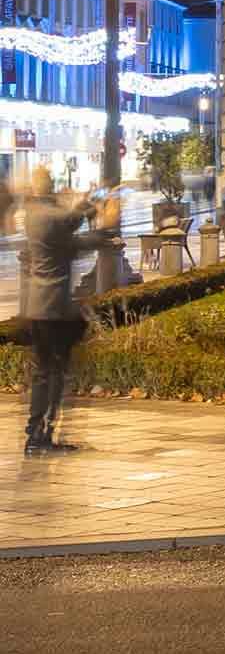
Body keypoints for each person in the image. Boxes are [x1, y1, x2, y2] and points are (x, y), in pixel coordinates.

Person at [12, 167, 100, 457]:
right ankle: (39, 436)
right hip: (50, 307)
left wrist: (86, 204)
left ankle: (40, 433)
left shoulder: (36, 213)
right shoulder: (44, 216)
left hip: (43, 306)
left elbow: (70, 232)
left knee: (49, 371)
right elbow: (70, 226)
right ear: (46, 186)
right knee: (51, 372)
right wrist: (92, 209)